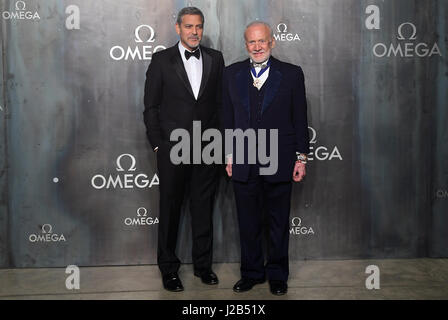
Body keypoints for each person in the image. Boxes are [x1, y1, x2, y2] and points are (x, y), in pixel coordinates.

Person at [222, 21, 310, 295]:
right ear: (245, 44)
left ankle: (277, 274)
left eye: (262, 41)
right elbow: (226, 117)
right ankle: (251, 273)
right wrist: (228, 154)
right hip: (243, 160)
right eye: (252, 42)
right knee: (248, 222)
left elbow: (299, 117)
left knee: (277, 222)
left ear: (272, 42)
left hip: (280, 159)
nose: (257, 47)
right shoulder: (231, 74)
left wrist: (301, 158)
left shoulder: (292, 74)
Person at [143, 7, 224, 292]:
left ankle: (203, 267)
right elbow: (151, 107)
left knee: (203, 210)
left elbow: (220, 105)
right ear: (178, 28)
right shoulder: (161, 60)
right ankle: (168, 269)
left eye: (198, 26)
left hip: (208, 149)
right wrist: (157, 144)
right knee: (170, 210)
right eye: (188, 26)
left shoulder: (216, 59)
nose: (194, 32)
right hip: (172, 149)